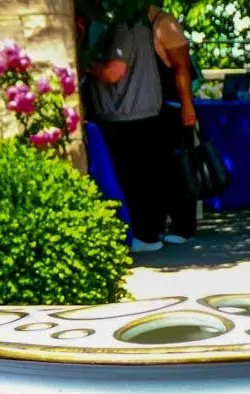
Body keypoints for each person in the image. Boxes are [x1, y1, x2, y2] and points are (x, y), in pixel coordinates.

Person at [85, 10, 169, 253]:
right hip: (139, 114)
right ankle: (150, 233)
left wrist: (86, 63)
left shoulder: (123, 26)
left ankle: (144, 236)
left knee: (134, 181)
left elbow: (113, 72)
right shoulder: (135, 24)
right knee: (144, 179)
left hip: (128, 116)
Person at [150, 2, 199, 244]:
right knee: (159, 168)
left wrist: (187, 105)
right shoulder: (141, 25)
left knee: (180, 165)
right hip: (153, 107)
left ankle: (184, 225)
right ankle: (160, 221)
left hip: (172, 105)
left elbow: (182, 68)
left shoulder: (164, 24)